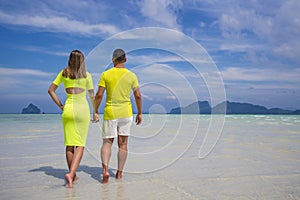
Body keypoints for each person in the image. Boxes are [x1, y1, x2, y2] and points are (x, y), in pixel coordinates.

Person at [48, 50, 97, 188]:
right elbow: (92, 96)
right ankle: (71, 174)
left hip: (68, 110)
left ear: (70, 60)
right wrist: (95, 112)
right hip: (82, 111)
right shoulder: (87, 76)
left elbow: (50, 90)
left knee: (69, 145)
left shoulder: (63, 74)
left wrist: (60, 105)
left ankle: (73, 175)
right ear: (82, 61)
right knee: (80, 145)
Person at [94, 48, 142, 183]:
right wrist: (139, 112)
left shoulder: (106, 74)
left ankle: (105, 170)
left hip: (110, 112)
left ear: (112, 60)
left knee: (107, 142)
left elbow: (99, 95)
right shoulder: (132, 76)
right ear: (125, 60)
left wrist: (95, 110)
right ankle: (119, 174)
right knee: (123, 144)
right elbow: (138, 96)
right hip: (126, 113)